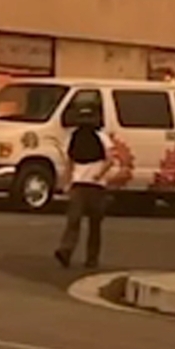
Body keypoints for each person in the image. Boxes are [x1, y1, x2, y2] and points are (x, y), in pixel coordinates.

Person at [54, 106, 113, 270]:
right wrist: (67, 182)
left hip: (95, 185)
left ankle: (92, 258)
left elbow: (110, 159)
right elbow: (70, 162)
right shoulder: (74, 137)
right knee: (74, 220)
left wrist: (99, 175)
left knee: (93, 224)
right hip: (81, 184)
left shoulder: (101, 137)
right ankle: (65, 251)